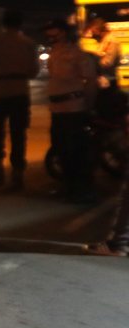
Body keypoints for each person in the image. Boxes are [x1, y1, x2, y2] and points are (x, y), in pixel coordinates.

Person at [0, 9, 39, 189]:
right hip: (20, 91)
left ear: (3, 23)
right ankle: (17, 174)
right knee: (18, 134)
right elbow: (34, 71)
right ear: (20, 23)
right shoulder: (28, 43)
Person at [44, 18, 99, 203]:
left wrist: (89, 106)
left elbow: (90, 80)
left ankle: (83, 188)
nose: (50, 35)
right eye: (49, 32)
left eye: (54, 31)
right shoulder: (54, 53)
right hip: (57, 109)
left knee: (76, 150)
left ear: (64, 33)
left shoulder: (77, 54)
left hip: (74, 108)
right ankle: (68, 185)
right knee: (61, 149)